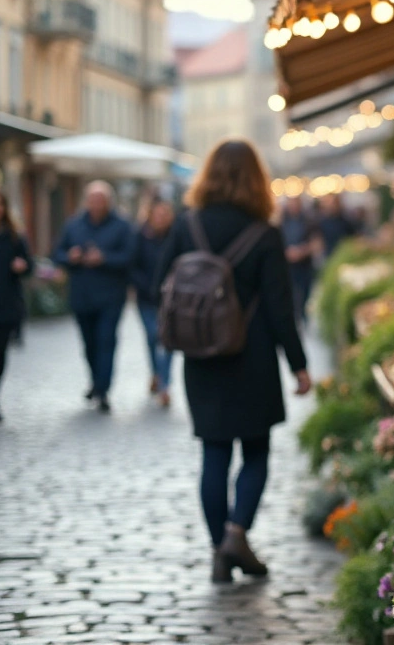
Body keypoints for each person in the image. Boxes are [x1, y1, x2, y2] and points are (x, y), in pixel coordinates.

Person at [153, 139, 311, 583]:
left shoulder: (188, 226)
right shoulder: (265, 233)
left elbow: (159, 286)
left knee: (214, 453)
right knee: (256, 451)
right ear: (257, 179)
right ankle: (236, 535)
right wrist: (298, 366)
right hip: (253, 355)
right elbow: (282, 309)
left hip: (202, 356)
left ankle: (218, 549)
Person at [53, 181, 134, 412]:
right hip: (82, 295)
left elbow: (130, 257)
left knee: (106, 340)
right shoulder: (74, 225)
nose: (97, 204)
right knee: (89, 343)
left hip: (110, 296)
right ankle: (96, 380)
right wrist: (71, 257)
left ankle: (103, 388)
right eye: (93, 200)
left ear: (109, 203)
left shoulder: (122, 226)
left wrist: (104, 259)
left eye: (101, 200)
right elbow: (57, 253)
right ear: (87, 202)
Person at [0, 190, 32, 422]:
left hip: (6, 305)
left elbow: (30, 266)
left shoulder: (15, 237)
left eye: (0, 204)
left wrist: (22, 266)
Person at [130, 200, 175, 407]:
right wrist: (146, 286)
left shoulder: (176, 236)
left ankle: (164, 384)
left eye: (165, 215)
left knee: (167, 339)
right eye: (158, 215)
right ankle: (156, 373)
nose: (161, 219)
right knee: (152, 336)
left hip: (171, 298)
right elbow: (132, 265)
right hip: (147, 298)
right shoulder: (141, 236)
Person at [279, 196, 319, 325]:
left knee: (305, 294)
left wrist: (302, 251)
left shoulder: (309, 220)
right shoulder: (282, 221)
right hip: (288, 267)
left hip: (305, 266)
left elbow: (317, 243)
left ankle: (303, 318)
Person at [316, 193, 357, 259]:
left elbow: (353, 238)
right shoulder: (323, 222)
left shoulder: (346, 221)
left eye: (335, 203)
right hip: (329, 255)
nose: (333, 206)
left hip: (344, 254)